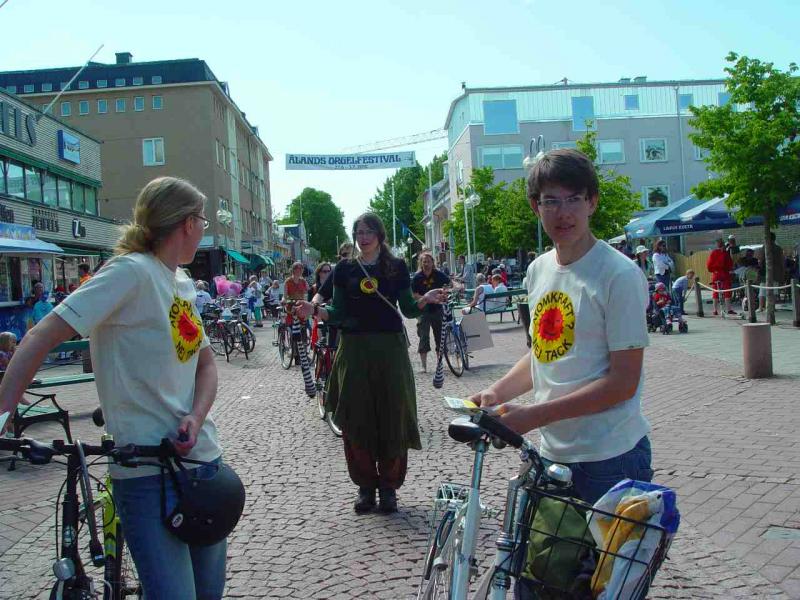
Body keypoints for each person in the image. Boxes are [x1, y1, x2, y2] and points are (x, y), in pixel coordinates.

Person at [0, 177, 231, 598]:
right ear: (186, 224)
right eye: (202, 219)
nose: (203, 228)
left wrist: (195, 418)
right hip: (145, 470)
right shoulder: (130, 272)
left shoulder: (178, 281)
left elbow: (207, 365)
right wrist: (0, 415)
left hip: (202, 466)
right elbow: (40, 336)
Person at [467, 149, 653, 568]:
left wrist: (533, 416)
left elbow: (623, 381)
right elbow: (543, 353)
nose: (562, 212)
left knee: (607, 587)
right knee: (542, 580)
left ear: (592, 202)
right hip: (553, 456)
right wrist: (496, 391)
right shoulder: (538, 270)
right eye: (551, 200)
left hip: (610, 455)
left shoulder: (618, 275)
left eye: (574, 199)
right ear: (536, 207)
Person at [294, 213, 445, 514]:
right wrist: (315, 310)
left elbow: (408, 310)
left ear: (379, 234)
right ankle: (365, 487)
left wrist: (426, 299)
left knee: (393, 414)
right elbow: (336, 311)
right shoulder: (344, 269)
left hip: (390, 348)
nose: (363, 237)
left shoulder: (397, 266)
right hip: (354, 348)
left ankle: (389, 488)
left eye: (368, 231)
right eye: (358, 231)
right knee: (356, 416)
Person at [411, 251, 450, 373]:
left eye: (428, 261)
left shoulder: (438, 275)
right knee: (423, 337)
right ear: (421, 263)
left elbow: (448, 284)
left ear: (433, 262)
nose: (426, 263)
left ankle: (440, 364)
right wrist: (425, 298)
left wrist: (446, 292)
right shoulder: (417, 277)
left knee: (440, 337)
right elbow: (414, 294)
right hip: (423, 311)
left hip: (438, 309)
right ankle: (424, 366)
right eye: (424, 261)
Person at [756, 232, 785, 312]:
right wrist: (782, 272)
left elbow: (760, 260)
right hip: (775, 272)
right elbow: (782, 261)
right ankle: (772, 307)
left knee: (762, 290)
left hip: (765, 272)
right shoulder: (778, 248)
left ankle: (761, 307)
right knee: (774, 290)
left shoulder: (764, 247)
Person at [706, 238, 735, 315]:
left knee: (715, 291)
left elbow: (709, 265)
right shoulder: (725, 253)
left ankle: (715, 310)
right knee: (727, 291)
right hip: (724, 274)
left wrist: (713, 270)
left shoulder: (713, 253)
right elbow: (730, 264)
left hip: (716, 274)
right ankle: (729, 309)